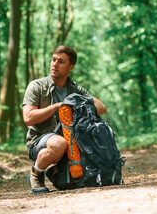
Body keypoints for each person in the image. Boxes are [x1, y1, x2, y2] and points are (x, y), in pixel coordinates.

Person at [22, 45, 106, 194]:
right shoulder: (36, 86)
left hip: (72, 140)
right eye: (53, 60)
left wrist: (76, 104)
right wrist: (57, 107)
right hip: (40, 139)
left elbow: (101, 107)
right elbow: (28, 118)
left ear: (70, 67)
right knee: (59, 143)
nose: (54, 64)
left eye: (61, 62)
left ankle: (60, 171)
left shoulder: (75, 89)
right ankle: (36, 174)